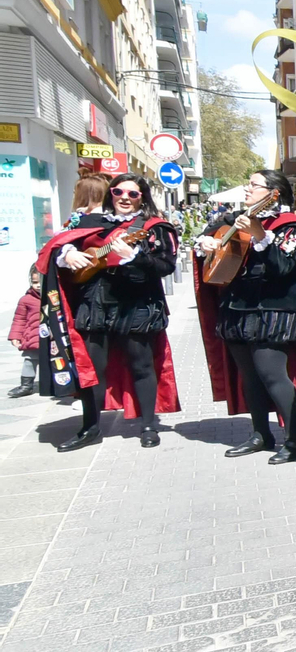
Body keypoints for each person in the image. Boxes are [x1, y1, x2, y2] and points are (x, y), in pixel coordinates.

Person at [194, 170, 296, 463]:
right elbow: (205, 238)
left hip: (274, 309)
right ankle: (261, 433)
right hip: (237, 306)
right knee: (249, 376)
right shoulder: (233, 219)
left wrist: (261, 235)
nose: (247, 189)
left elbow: (284, 268)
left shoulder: (294, 226)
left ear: (273, 192)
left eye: (254, 185)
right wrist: (205, 244)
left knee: (272, 375)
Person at [37, 173, 181, 450]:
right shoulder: (89, 221)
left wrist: (136, 257)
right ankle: (90, 426)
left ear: (142, 197)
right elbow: (56, 245)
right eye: (118, 192)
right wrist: (67, 254)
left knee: (141, 365)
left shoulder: (154, 226)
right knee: (92, 367)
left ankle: (149, 425)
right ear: (110, 194)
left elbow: (166, 266)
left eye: (133, 194)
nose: (125, 198)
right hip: (95, 302)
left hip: (138, 303)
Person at [8, 267, 40, 398]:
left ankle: (56, 386)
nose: (38, 285)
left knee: (54, 363)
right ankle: (26, 385)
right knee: (29, 361)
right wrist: (15, 336)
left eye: (40, 281)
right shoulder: (26, 300)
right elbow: (19, 319)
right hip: (32, 338)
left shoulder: (55, 298)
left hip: (51, 340)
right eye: (34, 282)